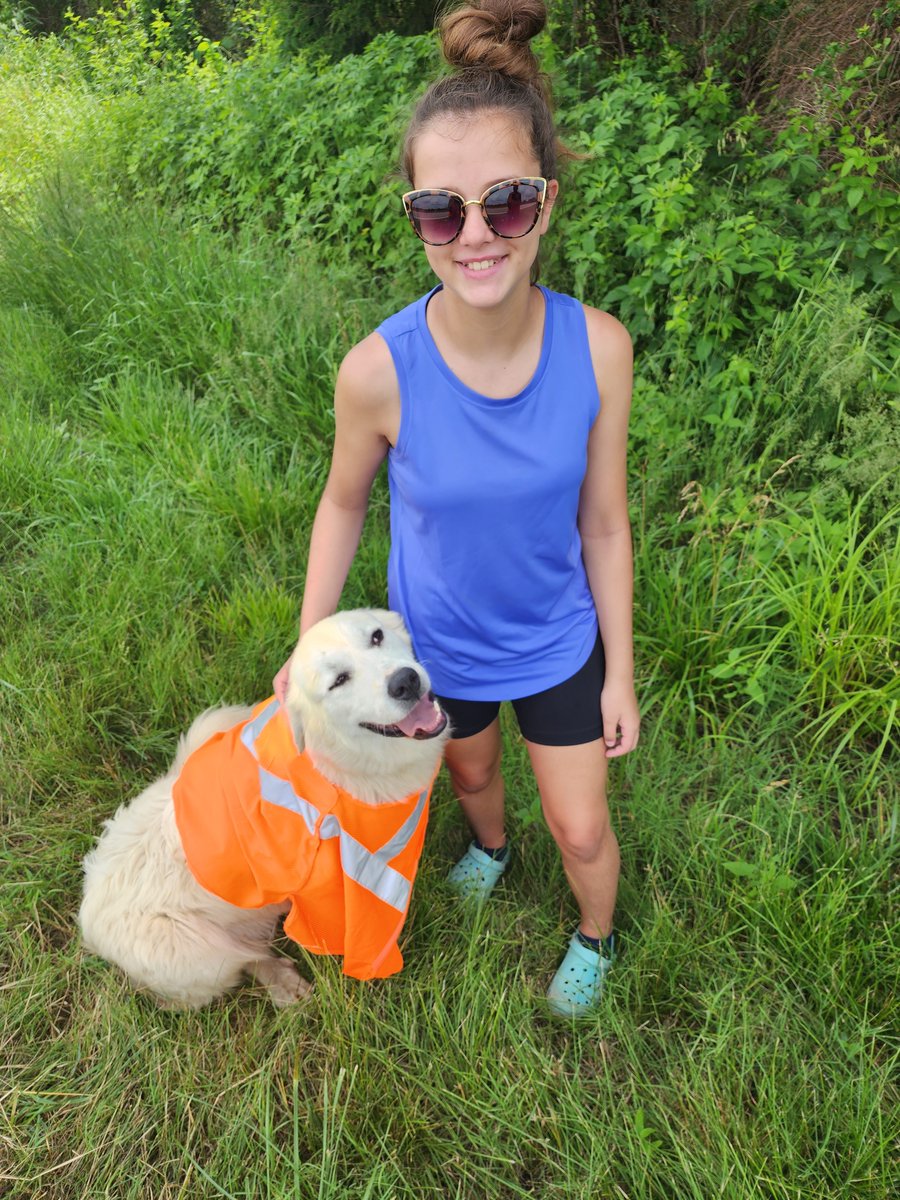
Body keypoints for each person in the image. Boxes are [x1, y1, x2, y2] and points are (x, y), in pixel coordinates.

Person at [275, 0, 640, 1016]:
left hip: (559, 644)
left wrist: (622, 672)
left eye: (505, 204)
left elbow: (605, 524)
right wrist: (311, 644)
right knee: (472, 781)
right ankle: (489, 848)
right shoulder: (377, 374)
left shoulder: (599, 350)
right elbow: (342, 503)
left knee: (580, 828)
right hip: (434, 646)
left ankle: (598, 937)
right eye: (443, 211)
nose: (475, 236)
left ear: (547, 204)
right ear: (417, 220)